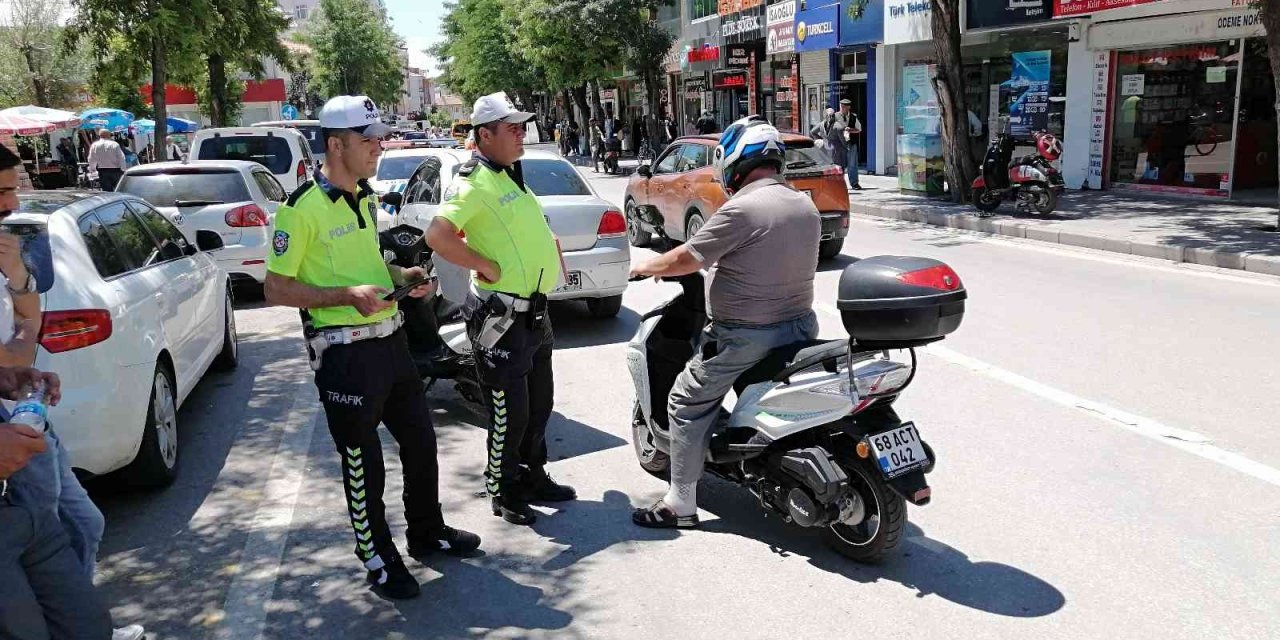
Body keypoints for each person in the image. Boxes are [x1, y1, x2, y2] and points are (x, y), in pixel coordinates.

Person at [264, 95, 480, 601]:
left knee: (422, 443)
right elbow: (276, 289)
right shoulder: (300, 210)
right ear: (336, 145)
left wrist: (402, 277)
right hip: (344, 355)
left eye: (379, 138)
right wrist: (344, 297)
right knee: (364, 463)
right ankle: (377, 557)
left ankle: (427, 532)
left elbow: (369, 267)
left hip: (390, 342)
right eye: (370, 140)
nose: (379, 147)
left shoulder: (364, 196)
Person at [629, 117, 820, 529]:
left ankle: (680, 503)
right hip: (799, 328)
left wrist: (646, 266)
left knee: (683, 401)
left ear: (735, 161)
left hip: (744, 337)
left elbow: (686, 258)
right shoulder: (802, 202)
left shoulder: (743, 207)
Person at [426, 91, 576, 527]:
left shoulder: (510, 174)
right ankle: (503, 487)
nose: (521, 134)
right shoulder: (473, 182)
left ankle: (533, 474)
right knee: (511, 412)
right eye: (512, 128)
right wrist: (483, 264)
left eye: (521, 127)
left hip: (535, 311)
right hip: (502, 317)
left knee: (540, 403)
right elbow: (439, 235)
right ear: (484, 135)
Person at [838, 99, 864, 190]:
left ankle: (854, 184)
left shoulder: (853, 117)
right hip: (839, 145)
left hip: (851, 144)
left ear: (849, 107)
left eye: (844, 106)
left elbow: (859, 129)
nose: (842, 108)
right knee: (839, 165)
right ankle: (839, 185)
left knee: (852, 164)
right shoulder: (835, 116)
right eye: (841, 106)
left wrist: (850, 130)